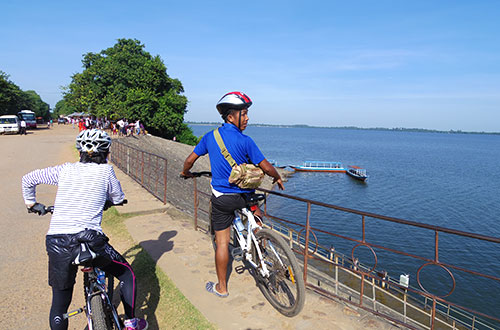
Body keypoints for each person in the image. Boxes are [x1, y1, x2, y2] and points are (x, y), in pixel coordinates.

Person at [21, 129, 148, 330]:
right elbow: (117, 197)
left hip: (57, 242)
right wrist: (108, 201)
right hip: (89, 239)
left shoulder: (64, 170)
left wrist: (32, 204)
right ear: (107, 151)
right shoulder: (106, 171)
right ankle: (131, 322)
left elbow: (28, 179)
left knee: (59, 304)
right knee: (126, 274)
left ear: (79, 150)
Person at [180, 91, 284, 298]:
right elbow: (266, 167)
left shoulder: (210, 137)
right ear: (230, 116)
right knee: (255, 215)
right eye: (243, 114)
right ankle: (259, 242)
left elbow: (190, 160)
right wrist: (277, 177)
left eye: (246, 114)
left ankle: (222, 288)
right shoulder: (246, 141)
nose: (247, 118)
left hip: (222, 199)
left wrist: (185, 173)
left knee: (221, 243)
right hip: (245, 196)